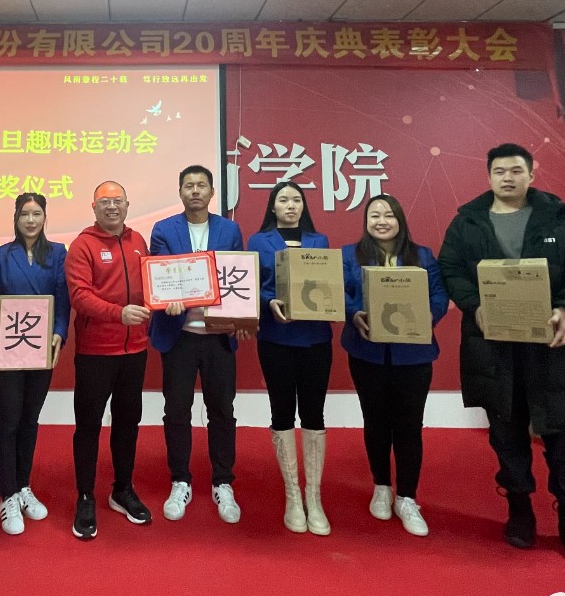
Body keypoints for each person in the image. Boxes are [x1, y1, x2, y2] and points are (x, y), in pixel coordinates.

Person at [437, 143, 565, 570]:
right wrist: (474, 305)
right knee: (507, 436)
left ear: (532, 173)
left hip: (555, 348)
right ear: (489, 176)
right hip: (495, 348)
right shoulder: (467, 222)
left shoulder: (563, 219)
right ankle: (519, 510)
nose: (508, 178)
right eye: (500, 171)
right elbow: (450, 270)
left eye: (516, 170)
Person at [341, 194, 448, 538]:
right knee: (374, 421)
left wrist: (427, 316)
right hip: (366, 353)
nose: (382, 221)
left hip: (413, 356)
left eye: (389, 215)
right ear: (366, 222)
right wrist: (354, 313)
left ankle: (407, 497)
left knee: (409, 426)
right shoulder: (349, 255)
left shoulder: (423, 256)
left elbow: (439, 296)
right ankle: (382, 486)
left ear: (400, 219)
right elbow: (340, 292)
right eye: (374, 215)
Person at [148, 165, 245, 525]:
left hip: (219, 336)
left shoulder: (229, 230)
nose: (195, 191)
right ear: (180, 192)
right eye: (188, 185)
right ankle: (180, 480)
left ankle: (223, 481)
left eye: (201, 185)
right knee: (177, 410)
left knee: (222, 410)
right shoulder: (164, 229)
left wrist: (242, 319)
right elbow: (159, 274)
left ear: (211, 192)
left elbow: (238, 277)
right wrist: (166, 300)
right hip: (180, 336)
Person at [66, 180, 152, 540]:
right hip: (96, 352)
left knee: (128, 422)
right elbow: (80, 296)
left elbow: (153, 285)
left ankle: (122, 489)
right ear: (94, 207)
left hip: (136, 350)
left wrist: (170, 300)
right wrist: (119, 314)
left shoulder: (138, 241)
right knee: (88, 425)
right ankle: (85, 496)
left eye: (118, 201)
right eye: (105, 201)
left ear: (128, 205)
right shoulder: (82, 245)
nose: (112, 206)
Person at [0, 193, 69, 535]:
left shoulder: (57, 253)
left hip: (40, 350)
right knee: (9, 420)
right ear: (15, 218)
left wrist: (58, 332)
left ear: (45, 217)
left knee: (30, 419)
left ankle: (23, 485)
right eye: (24, 214)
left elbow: (62, 300)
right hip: (8, 350)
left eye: (37, 214)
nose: (31, 220)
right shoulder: (1, 255)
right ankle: (7, 494)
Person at [248, 181, 333, 536]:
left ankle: (314, 495)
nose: (290, 205)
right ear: (273, 206)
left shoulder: (319, 241)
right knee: (282, 411)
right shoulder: (258, 241)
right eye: (283, 199)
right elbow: (252, 284)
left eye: (296, 199)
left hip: (315, 338)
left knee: (314, 412)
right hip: (276, 337)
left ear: (303, 206)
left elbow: (327, 283)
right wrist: (269, 301)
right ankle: (293, 495)